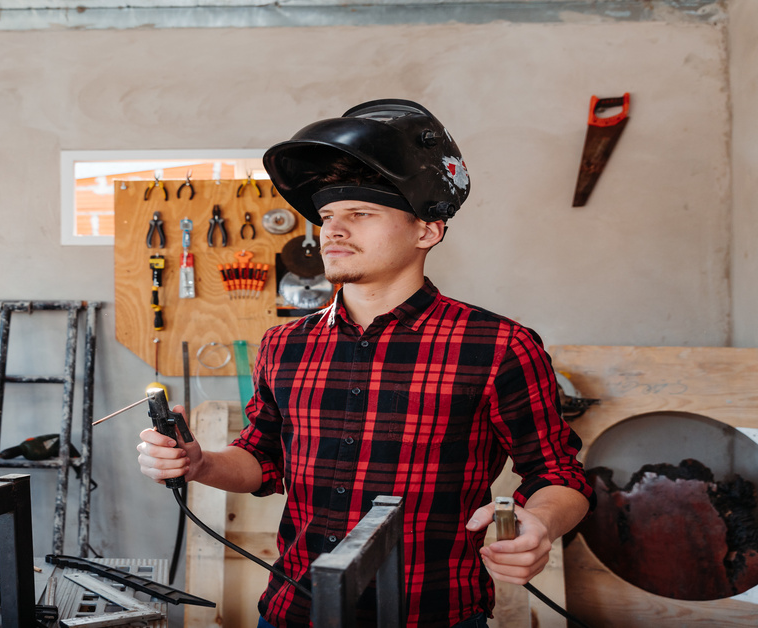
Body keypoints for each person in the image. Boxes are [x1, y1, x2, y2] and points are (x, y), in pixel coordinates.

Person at [136, 100, 593, 628]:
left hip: (433, 616)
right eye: (328, 216)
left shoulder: (497, 345)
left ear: (427, 230)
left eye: (361, 214)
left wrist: (539, 521)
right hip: (294, 611)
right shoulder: (284, 344)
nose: (332, 230)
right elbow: (261, 460)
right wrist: (198, 462)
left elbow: (559, 474)